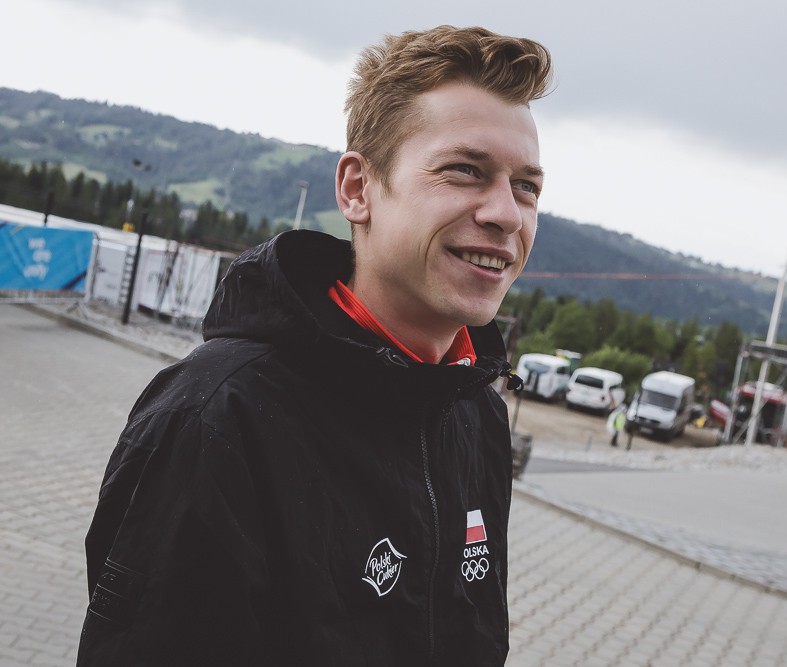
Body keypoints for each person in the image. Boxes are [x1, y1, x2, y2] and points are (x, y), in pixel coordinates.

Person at [77, 25, 552, 666]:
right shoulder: (218, 415)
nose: (506, 214)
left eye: (526, 187)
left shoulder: (479, 416)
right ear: (358, 190)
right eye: (464, 171)